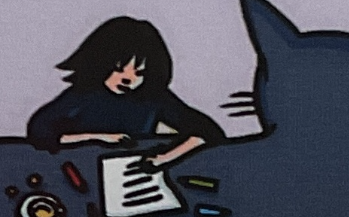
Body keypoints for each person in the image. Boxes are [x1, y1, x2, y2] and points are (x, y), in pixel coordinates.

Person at [26, 16, 223, 167]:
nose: (128, 79)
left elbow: (208, 132)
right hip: (83, 168)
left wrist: (165, 158)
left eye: (139, 73)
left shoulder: (153, 98)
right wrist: (96, 137)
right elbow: (39, 131)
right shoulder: (83, 94)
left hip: (131, 175)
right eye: (119, 69)